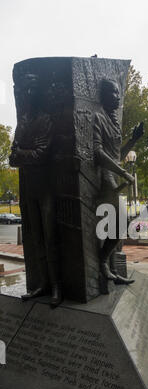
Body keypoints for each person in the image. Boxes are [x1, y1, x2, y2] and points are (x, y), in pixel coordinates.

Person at [9, 73, 62, 308]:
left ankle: (58, 287)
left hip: (45, 191)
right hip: (29, 191)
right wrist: (22, 155)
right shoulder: (22, 123)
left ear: (36, 93)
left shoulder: (45, 120)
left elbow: (41, 155)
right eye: (22, 91)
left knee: (51, 240)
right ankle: (42, 284)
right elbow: (11, 159)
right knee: (37, 240)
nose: (25, 94)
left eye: (30, 90)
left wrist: (22, 154)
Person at [94, 78, 143, 283]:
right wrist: (123, 174)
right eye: (113, 93)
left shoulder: (113, 122)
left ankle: (109, 268)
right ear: (104, 96)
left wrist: (133, 139)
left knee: (118, 225)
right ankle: (102, 263)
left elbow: (116, 156)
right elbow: (98, 153)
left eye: (118, 92)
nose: (118, 96)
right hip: (104, 179)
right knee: (121, 223)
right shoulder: (98, 117)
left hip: (113, 176)